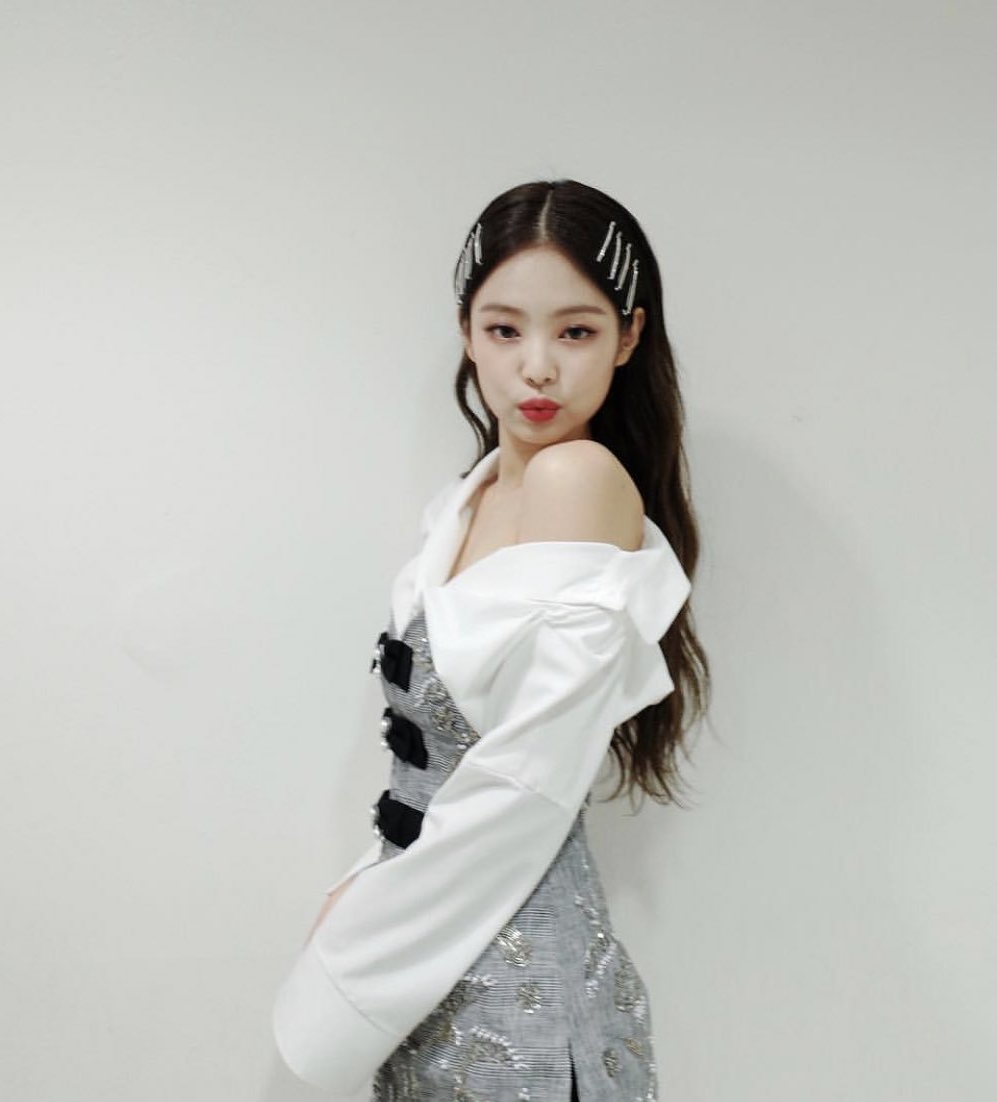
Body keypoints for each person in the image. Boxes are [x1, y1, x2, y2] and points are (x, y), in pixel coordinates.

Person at [272, 179, 710, 1100]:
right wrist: (365, 879)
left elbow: (524, 781)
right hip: (431, 956)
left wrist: (365, 921)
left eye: (576, 331)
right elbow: (428, 766)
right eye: (505, 329)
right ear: (466, 332)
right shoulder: (467, 500)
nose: (536, 368)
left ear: (629, 336)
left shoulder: (576, 480)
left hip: (516, 982)